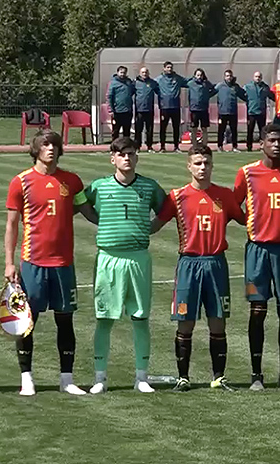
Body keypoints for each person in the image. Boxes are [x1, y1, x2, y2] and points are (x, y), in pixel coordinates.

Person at [4, 130, 97, 396]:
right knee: (27, 321)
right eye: (45, 145)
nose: (51, 149)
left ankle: (66, 379)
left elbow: (88, 212)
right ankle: (27, 378)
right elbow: (11, 225)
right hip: (33, 263)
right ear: (36, 149)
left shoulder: (72, 181)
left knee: (65, 321)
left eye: (55, 144)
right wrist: (9, 263)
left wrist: (116, 220)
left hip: (64, 263)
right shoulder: (21, 182)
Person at [152, 145, 246, 392]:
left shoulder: (224, 195)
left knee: (218, 322)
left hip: (216, 263)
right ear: (189, 166)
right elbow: (155, 225)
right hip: (189, 264)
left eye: (206, 163)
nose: (202, 167)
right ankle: (183, 377)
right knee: (185, 322)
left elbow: (247, 220)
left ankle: (218, 377)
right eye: (197, 163)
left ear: (212, 165)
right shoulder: (177, 196)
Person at [84, 137, 167, 394]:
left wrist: (148, 228)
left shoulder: (149, 187)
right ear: (113, 159)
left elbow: (166, 210)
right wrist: (101, 222)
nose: (126, 158)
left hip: (138, 258)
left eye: (131, 154)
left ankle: (141, 377)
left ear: (137, 157)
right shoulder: (99, 186)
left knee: (140, 318)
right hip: (108, 258)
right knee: (105, 319)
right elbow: (81, 204)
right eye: (121, 154)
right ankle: (100, 378)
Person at [234, 124, 280, 391]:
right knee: (257, 311)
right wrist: (250, 222)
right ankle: (256, 375)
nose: (277, 145)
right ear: (261, 143)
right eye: (272, 140)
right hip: (257, 251)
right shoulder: (247, 173)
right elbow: (233, 205)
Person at [155, 61, 189, 153]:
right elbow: (152, 87)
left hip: (175, 107)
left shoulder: (177, 78)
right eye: (168, 67)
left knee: (176, 127)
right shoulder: (159, 79)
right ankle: (162, 147)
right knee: (163, 128)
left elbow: (188, 82)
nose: (169, 69)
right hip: (164, 107)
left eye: (171, 67)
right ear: (164, 68)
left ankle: (176, 147)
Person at [214, 70, 248, 152]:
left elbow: (243, 95)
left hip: (233, 112)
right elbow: (211, 93)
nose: (229, 77)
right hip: (222, 112)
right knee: (221, 130)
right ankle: (220, 146)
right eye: (227, 76)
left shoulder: (235, 86)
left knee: (234, 130)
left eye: (230, 76)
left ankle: (234, 147)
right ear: (224, 77)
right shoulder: (219, 86)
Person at [186, 68, 217, 148]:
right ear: (195, 76)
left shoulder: (206, 83)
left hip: (204, 109)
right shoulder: (190, 83)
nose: (199, 77)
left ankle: (204, 146)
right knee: (194, 128)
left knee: (204, 128)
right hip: (194, 109)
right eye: (198, 75)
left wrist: (207, 96)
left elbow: (214, 89)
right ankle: (194, 146)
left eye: (201, 75)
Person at [244, 71, 274, 152]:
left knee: (262, 131)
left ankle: (262, 146)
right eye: (256, 76)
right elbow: (242, 95)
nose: (258, 78)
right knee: (250, 130)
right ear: (253, 77)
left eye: (259, 77)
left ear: (261, 78)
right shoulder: (248, 86)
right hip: (251, 112)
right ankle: (249, 147)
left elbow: (272, 96)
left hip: (261, 112)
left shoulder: (265, 87)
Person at [134, 67, 159, 152]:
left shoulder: (152, 83)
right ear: (140, 73)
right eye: (143, 72)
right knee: (138, 130)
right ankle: (137, 147)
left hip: (149, 109)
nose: (144, 74)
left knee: (149, 129)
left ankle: (149, 146)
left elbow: (159, 92)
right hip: (139, 110)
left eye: (146, 72)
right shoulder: (135, 83)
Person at [107, 65, 135, 141]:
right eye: (121, 72)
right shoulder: (113, 83)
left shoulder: (129, 82)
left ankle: (126, 146)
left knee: (127, 131)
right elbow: (109, 97)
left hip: (127, 111)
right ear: (117, 72)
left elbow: (132, 92)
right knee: (116, 131)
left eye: (124, 73)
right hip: (117, 111)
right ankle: (114, 146)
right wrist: (110, 110)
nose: (122, 74)